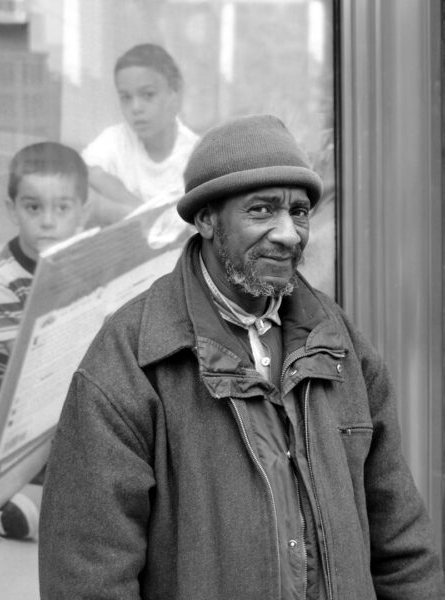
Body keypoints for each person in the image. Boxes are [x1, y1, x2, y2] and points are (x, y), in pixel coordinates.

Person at [38, 115, 445, 599]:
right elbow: (88, 574)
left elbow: (401, 546)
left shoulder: (342, 347)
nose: (289, 234)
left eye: (298, 212)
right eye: (262, 210)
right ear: (207, 219)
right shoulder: (133, 357)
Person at [0, 141, 89, 539]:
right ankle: (11, 503)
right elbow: (28, 370)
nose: (48, 222)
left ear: (81, 214)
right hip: (11, 418)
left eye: (62, 208)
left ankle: (30, 508)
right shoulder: (2, 278)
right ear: (12, 209)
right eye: (34, 208)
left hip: (60, 414)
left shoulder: (86, 262)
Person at [82, 43, 199, 225]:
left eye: (148, 95)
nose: (135, 108)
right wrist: (141, 210)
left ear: (174, 93)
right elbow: (87, 171)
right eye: (126, 97)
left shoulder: (195, 154)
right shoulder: (116, 140)